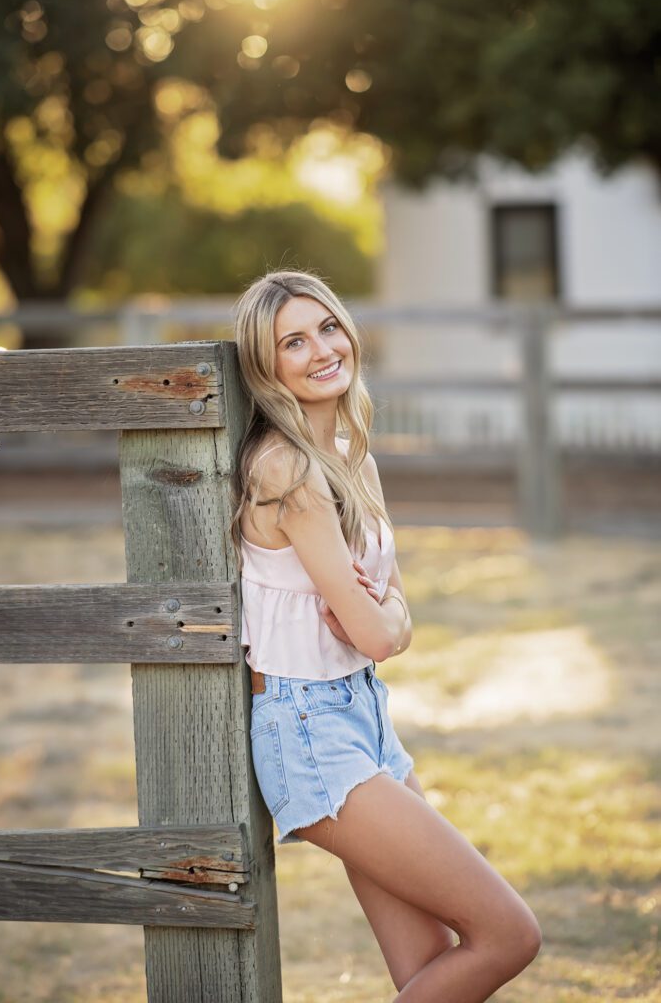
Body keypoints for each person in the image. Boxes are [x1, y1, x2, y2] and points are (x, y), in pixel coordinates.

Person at [230, 270, 541, 1002]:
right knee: (508, 935)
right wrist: (389, 625)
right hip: (307, 727)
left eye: (328, 327)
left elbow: (388, 614)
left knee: (430, 965)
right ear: (264, 366)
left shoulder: (350, 457)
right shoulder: (287, 470)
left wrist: (391, 623)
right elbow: (376, 629)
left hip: (362, 713)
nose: (321, 350)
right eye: (292, 342)